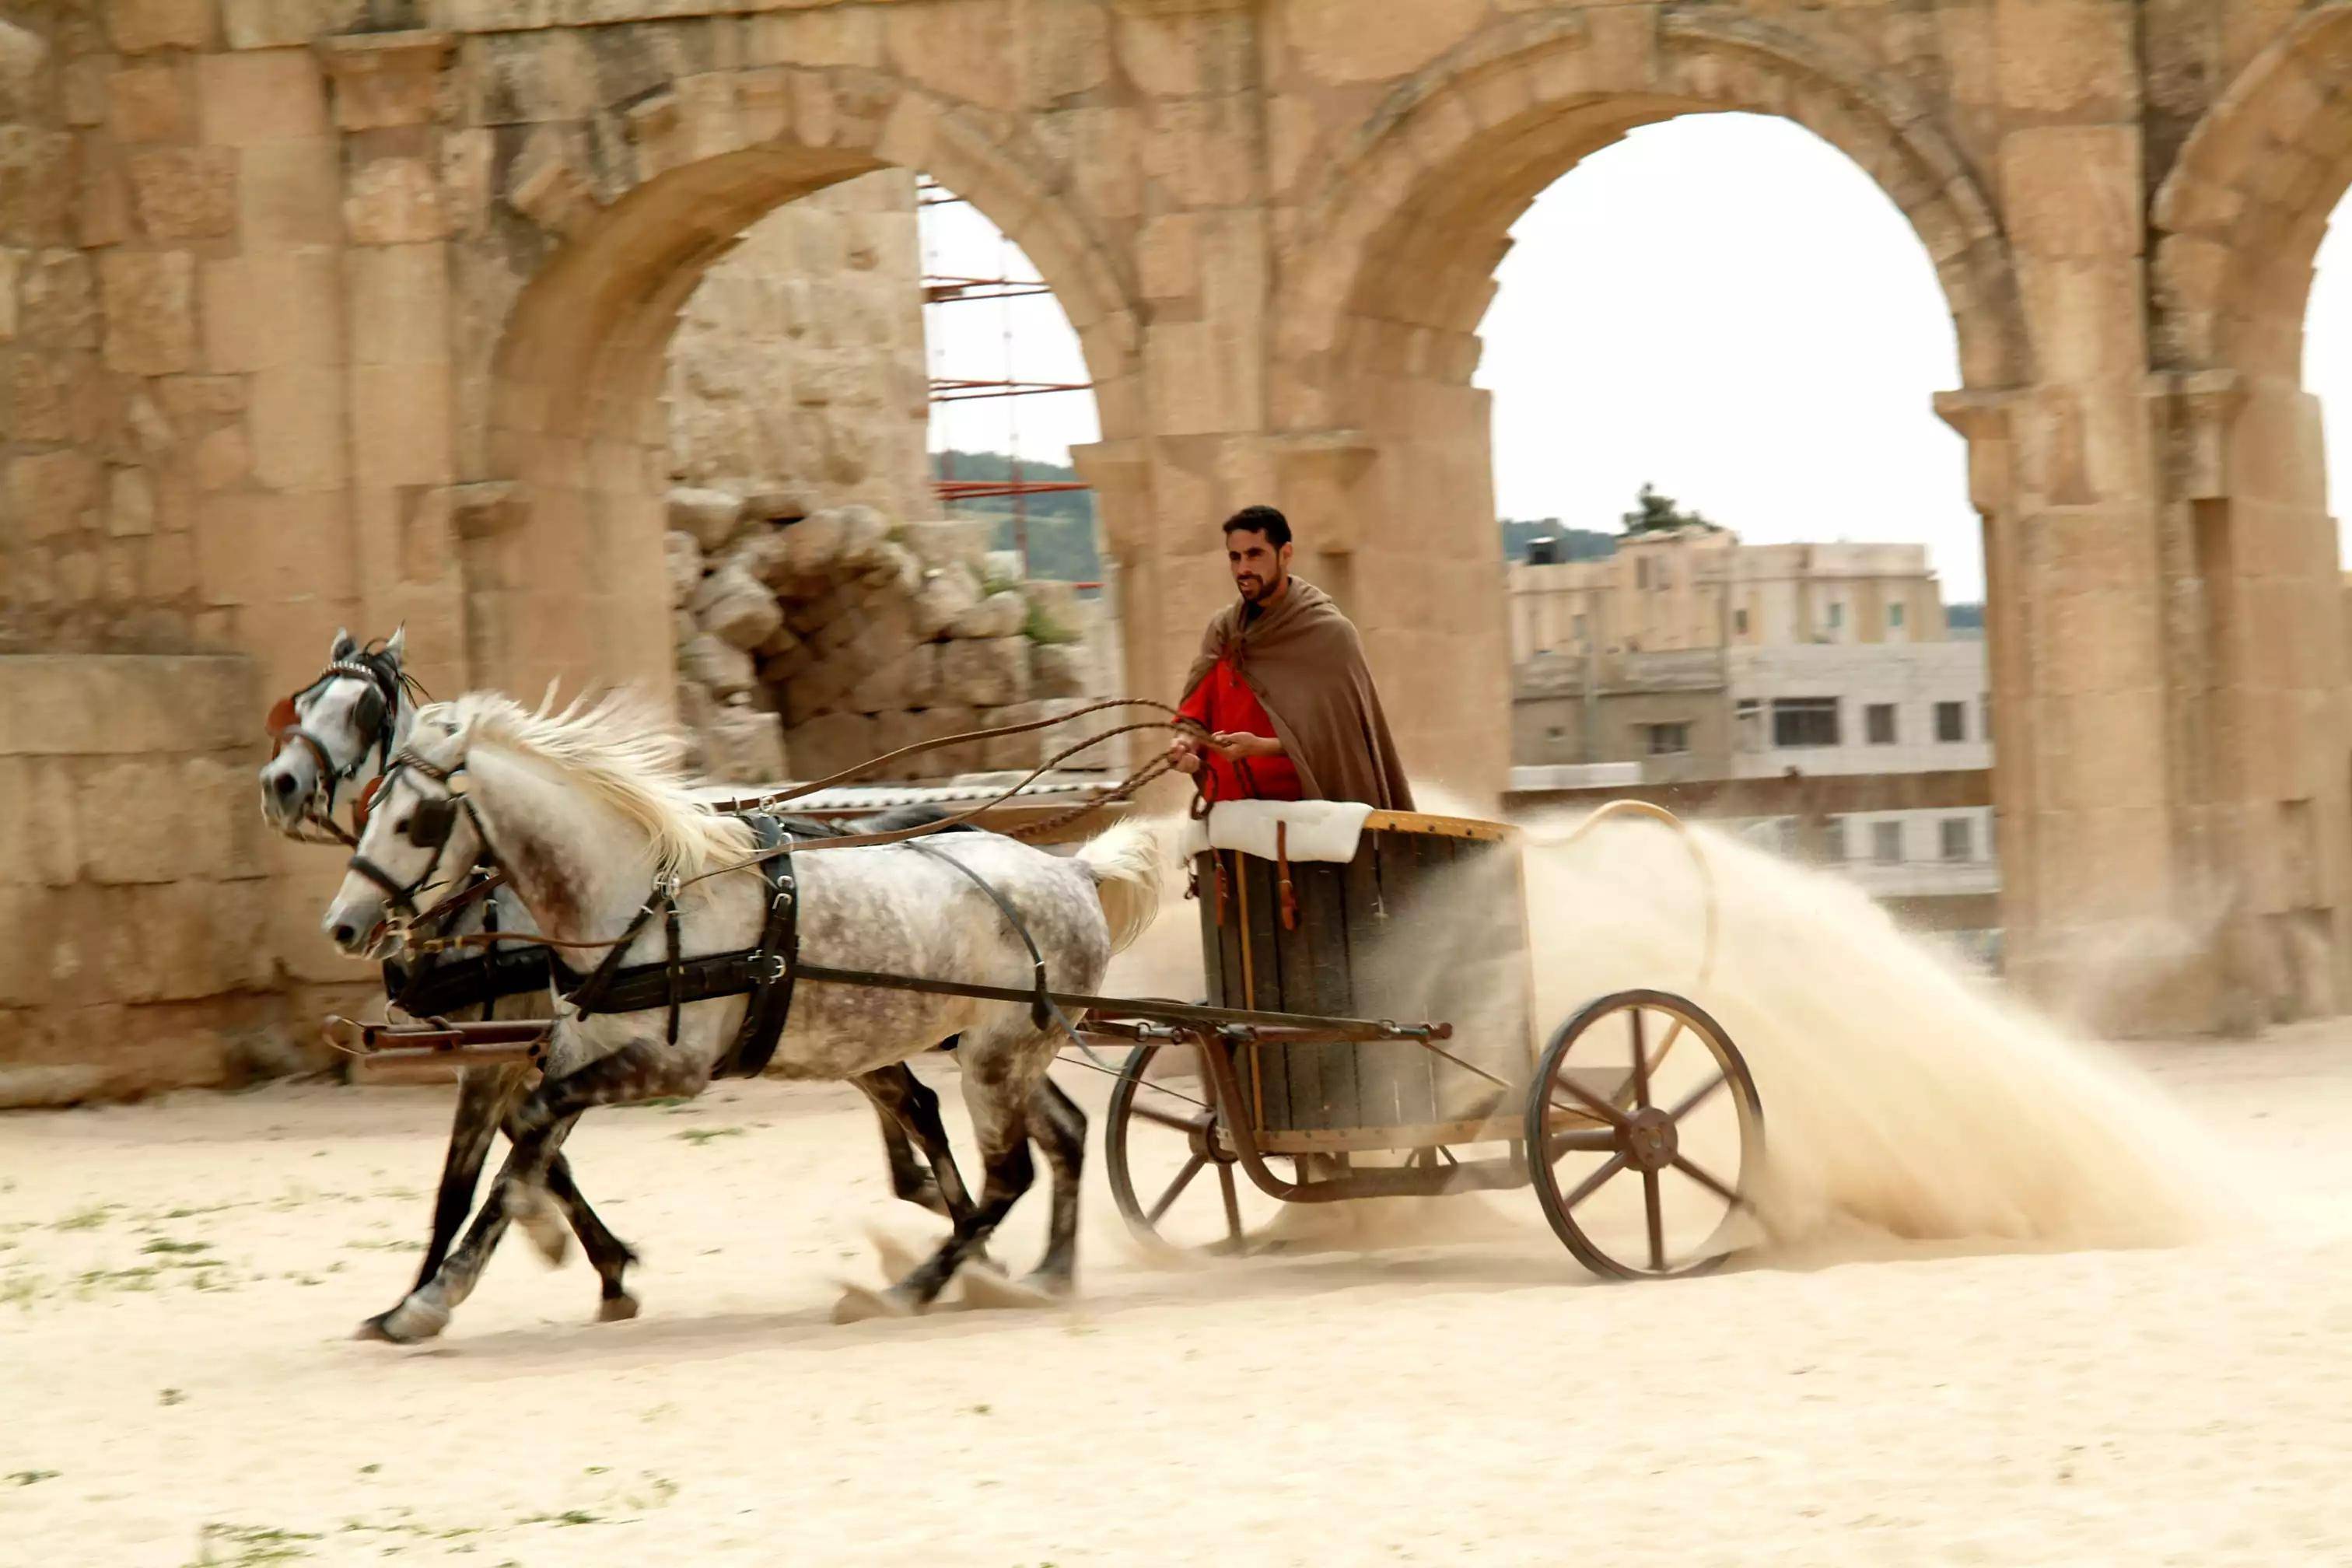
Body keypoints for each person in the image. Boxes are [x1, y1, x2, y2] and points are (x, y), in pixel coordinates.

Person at [1167, 505, 1415, 810]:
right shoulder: (1224, 632)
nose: (1243, 568)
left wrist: (1260, 748)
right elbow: (1194, 714)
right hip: (1232, 819)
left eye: (1255, 554)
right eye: (1235, 557)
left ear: (1285, 554)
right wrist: (1185, 745)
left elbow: (1341, 743)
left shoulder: (1330, 635)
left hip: (1307, 817)